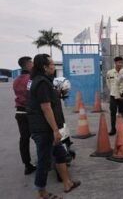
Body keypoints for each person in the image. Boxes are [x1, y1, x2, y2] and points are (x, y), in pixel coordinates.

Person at [26, 54, 80, 199]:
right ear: (44, 67)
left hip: (48, 128)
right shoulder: (42, 82)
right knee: (44, 161)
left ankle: (67, 183)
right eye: (51, 64)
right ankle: (41, 193)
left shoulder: (43, 81)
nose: (53, 66)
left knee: (61, 155)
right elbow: (46, 108)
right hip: (44, 130)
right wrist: (56, 130)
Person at [13, 56, 36, 175]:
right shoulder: (31, 79)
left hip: (19, 113)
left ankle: (27, 165)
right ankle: (44, 162)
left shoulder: (16, 80)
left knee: (24, 139)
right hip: (30, 113)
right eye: (32, 63)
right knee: (40, 136)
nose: (33, 65)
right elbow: (33, 95)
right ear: (27, 65)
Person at [106, 56, 123, 135]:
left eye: (121, 62)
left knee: (121, 112)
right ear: (115, 63)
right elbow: (108, 83)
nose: (120, 64)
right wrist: (113, 91)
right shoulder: (110, 72)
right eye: (118, 62)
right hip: (113, 95)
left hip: (122, 96)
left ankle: (121, 128)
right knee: (113, 112)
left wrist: (122, 93)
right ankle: (113, 129)